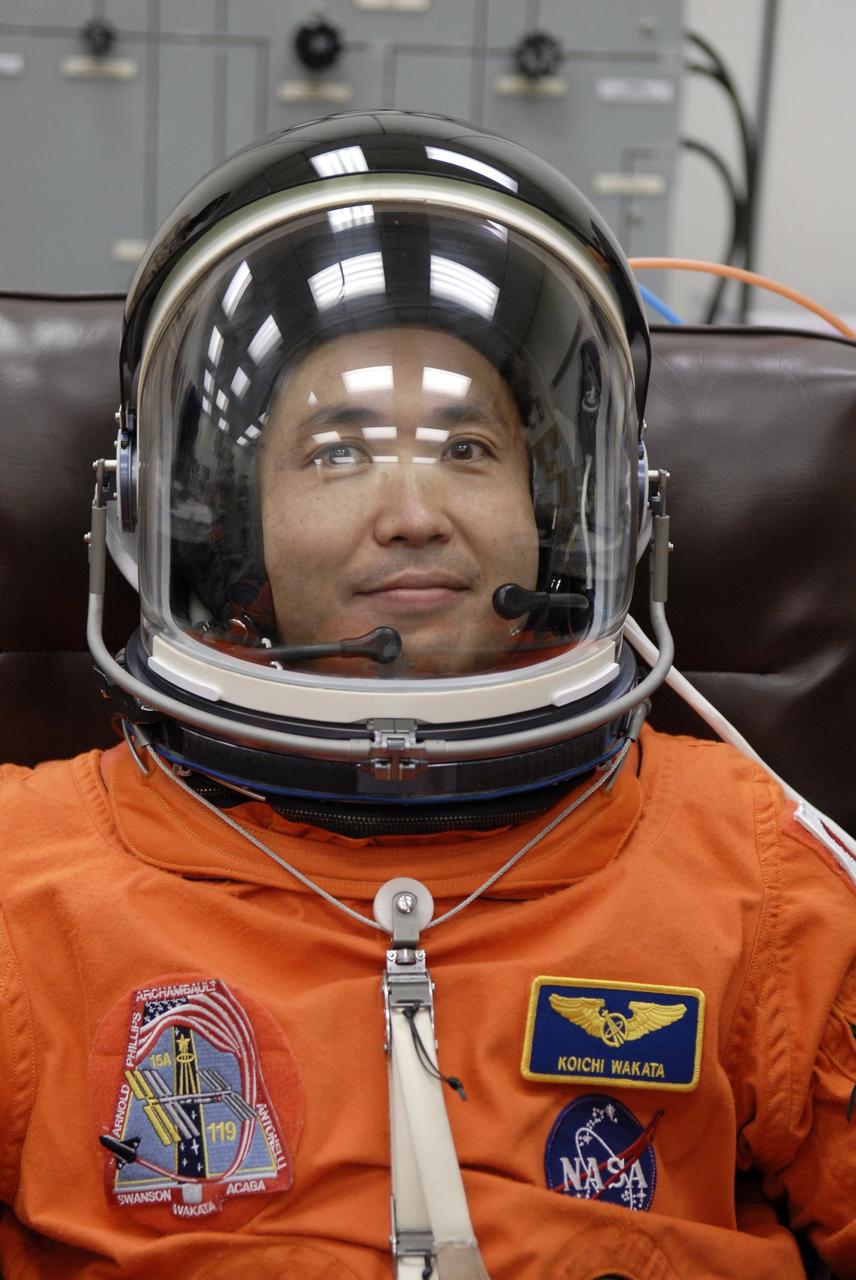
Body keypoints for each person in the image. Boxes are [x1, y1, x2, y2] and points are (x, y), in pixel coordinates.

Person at [0, 110, 855, 1280]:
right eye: (339, 450)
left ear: (563, 516)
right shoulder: (25, 888)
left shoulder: (754, 872)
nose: (412, 508)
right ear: (219, 524)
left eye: (465, 449)